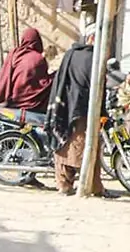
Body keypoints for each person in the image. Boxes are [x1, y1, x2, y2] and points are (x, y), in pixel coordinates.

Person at [47, 29, 105, 196]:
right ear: (93, 38)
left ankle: (64, 184)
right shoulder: (93, 57)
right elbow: (97, 84)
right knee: (87, 146)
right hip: (84, 109)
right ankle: (93, 186)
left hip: (66, 107)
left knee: (65, 146)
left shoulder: (70, 54)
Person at [0, 28, 53, 113]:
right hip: (33, 105)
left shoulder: (14, 54)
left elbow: (4, 77)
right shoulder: (39, 58)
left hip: (13, 101)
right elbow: (43, 85)